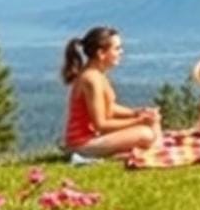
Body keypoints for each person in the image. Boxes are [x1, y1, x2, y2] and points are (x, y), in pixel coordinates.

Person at [61, 27, 161, 159]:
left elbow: (109, 107)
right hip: (82, 145)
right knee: (145, 134)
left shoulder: (97, 75)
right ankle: (148, 150)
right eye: (117, 49)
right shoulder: (91, 79)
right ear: (101, 53)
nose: (121, 52)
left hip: (94, 138)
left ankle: (150, 149)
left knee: (152, 121)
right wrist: (138, 120)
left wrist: (137, 112)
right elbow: (101, 124)